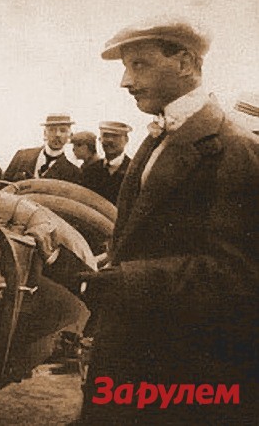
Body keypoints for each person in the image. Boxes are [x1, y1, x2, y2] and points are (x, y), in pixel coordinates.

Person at [80, 22, 259, 424]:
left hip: (181, 370)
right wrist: (107, 262)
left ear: (184, 63)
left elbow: (241, 272)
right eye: (126, 67)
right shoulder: (160, 135)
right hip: (135, 355)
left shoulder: (236, 149)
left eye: (139, 65)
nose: (125, 81)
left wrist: (129, 280)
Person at [3, 114, 81, 184]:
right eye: (52, 130)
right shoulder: (22, 156)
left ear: (70, 136)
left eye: (63, 130)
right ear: (45, 133)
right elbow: (2, 186)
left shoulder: (73, 172)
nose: (57, 135)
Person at [80, 121, 132, 204]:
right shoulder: (89, 170)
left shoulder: (135, 170)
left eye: (115, 136)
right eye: (106, 136)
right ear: (100, 139)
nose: (110, 140)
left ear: (126, 140)